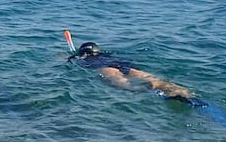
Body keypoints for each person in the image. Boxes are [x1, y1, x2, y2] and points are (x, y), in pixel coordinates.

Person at [69, 41, 199, 103]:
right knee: (153, 79)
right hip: (123, 64)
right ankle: (182, 91)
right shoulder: (108, 54)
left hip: (105, 67)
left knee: (120, 79)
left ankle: (146, 90)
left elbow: (69, 59)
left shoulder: (83, 58)